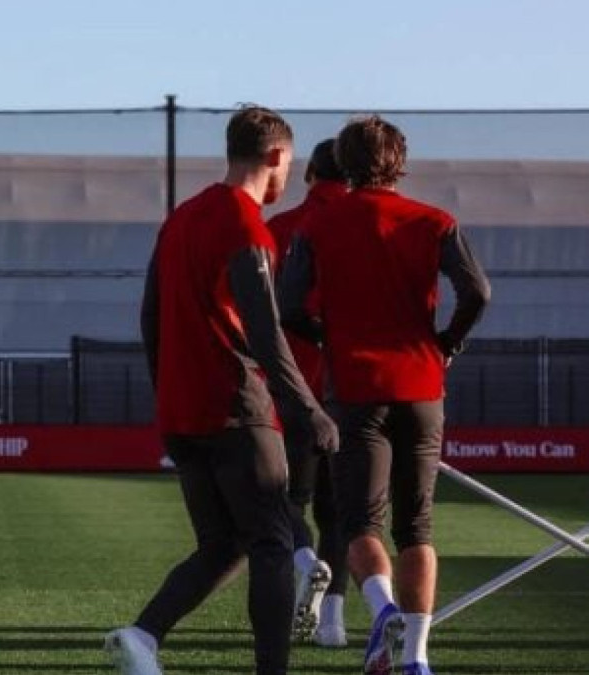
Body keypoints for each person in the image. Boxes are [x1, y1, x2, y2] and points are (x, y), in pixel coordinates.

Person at [107, 105, 339, 675]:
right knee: (272, 542)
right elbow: (266, 333)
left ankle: (141, 636)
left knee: (223, 545)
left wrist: (169, 394)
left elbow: (149, 317)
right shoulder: (246, 226)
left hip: (183, 415)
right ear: (278, 156)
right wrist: (311, 409)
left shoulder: (181, 219)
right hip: (237, 411)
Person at [278, 115, 490, 675]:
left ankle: (382, 611)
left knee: (359, 522)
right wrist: (448, 342)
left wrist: (330, 334)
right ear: (400, 159)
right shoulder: (435, 220)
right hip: (422, 386)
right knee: (417, 528)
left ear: (345, 162)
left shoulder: (319, 227)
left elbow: (290, 306)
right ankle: (416, 657)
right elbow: (477, 290)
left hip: (355, 388)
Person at [265, 138, 350, 647]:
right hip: (354, 390)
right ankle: (334, 621)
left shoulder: (280, 229)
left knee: (286, 501)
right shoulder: (373, 226)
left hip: (294, 385)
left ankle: (302, 563)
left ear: (309, 173)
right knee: (340, 511)